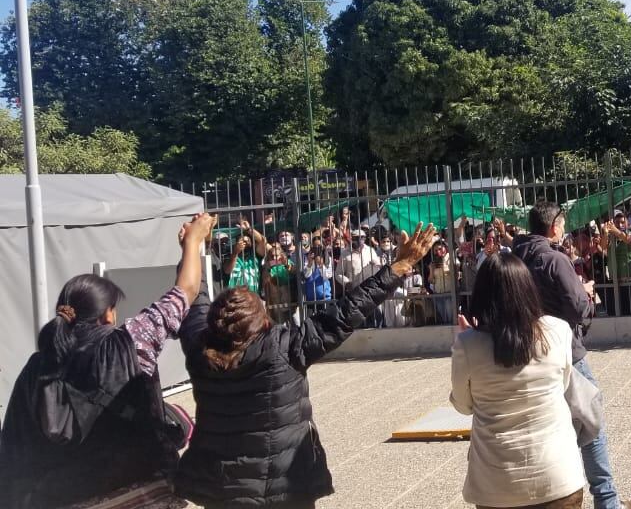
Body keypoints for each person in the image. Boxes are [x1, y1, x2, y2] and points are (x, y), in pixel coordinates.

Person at [175, 223, 436, 508]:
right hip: (287, 489)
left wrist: (193, 247)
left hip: (223, 491)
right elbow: (347, 311)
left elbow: (192, 297)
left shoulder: (200, 348)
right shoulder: (285, 347)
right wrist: (399, 266)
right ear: (262, 322)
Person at [0, 213, 216, 508]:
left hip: (61, 497)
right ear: (108, 314)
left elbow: (14, 447)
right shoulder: (130, 342)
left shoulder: (37, 367)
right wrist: (193, 241)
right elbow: (185, 292)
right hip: (141, 491)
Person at [513, 202, 631, 509]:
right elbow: (577, 308)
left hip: (524, 351)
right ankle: (607, 501)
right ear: (553, 226)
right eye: (563, 223)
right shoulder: (555, 259)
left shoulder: (513, 260)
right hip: (566, 352)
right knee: (591, 424)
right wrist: (586, 294)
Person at [451, 253, 587, 509]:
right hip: (558, 475)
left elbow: (462, 405)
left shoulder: (468, 344)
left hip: (495, 483)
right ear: (528, 288)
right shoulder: (558, 330)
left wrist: (468, 341)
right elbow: (563, 384)